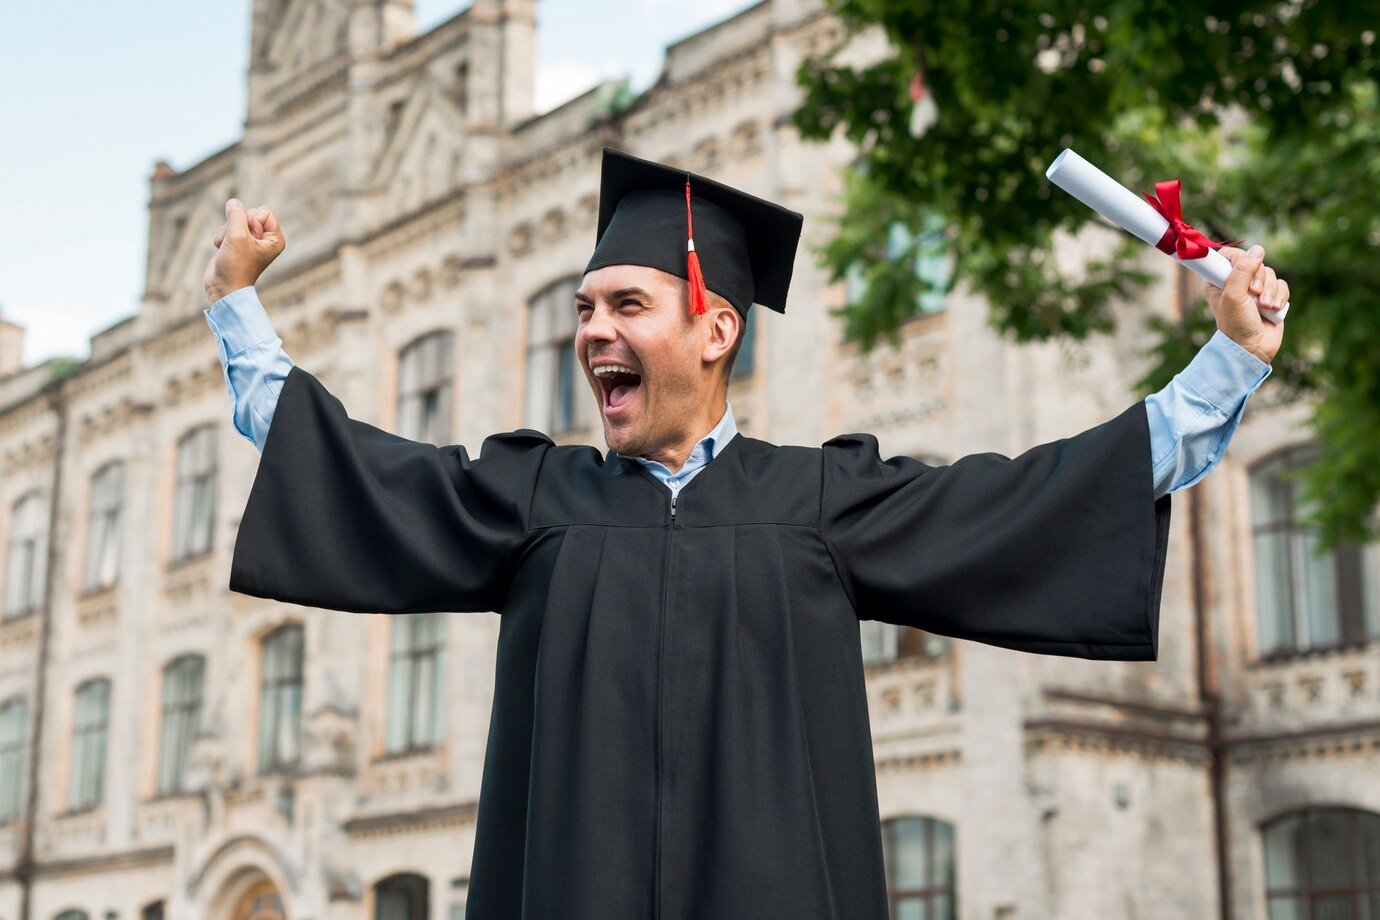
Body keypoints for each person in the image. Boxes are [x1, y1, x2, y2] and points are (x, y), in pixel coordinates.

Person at [202, 148, 1287, 919]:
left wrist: (1228, 363)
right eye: (581, 310)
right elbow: (340, 457)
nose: (590, 332)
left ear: (716, 327)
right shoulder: (531, 500)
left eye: (624, 304)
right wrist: (237, 308)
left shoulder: (820, 505)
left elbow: (1032, 498)